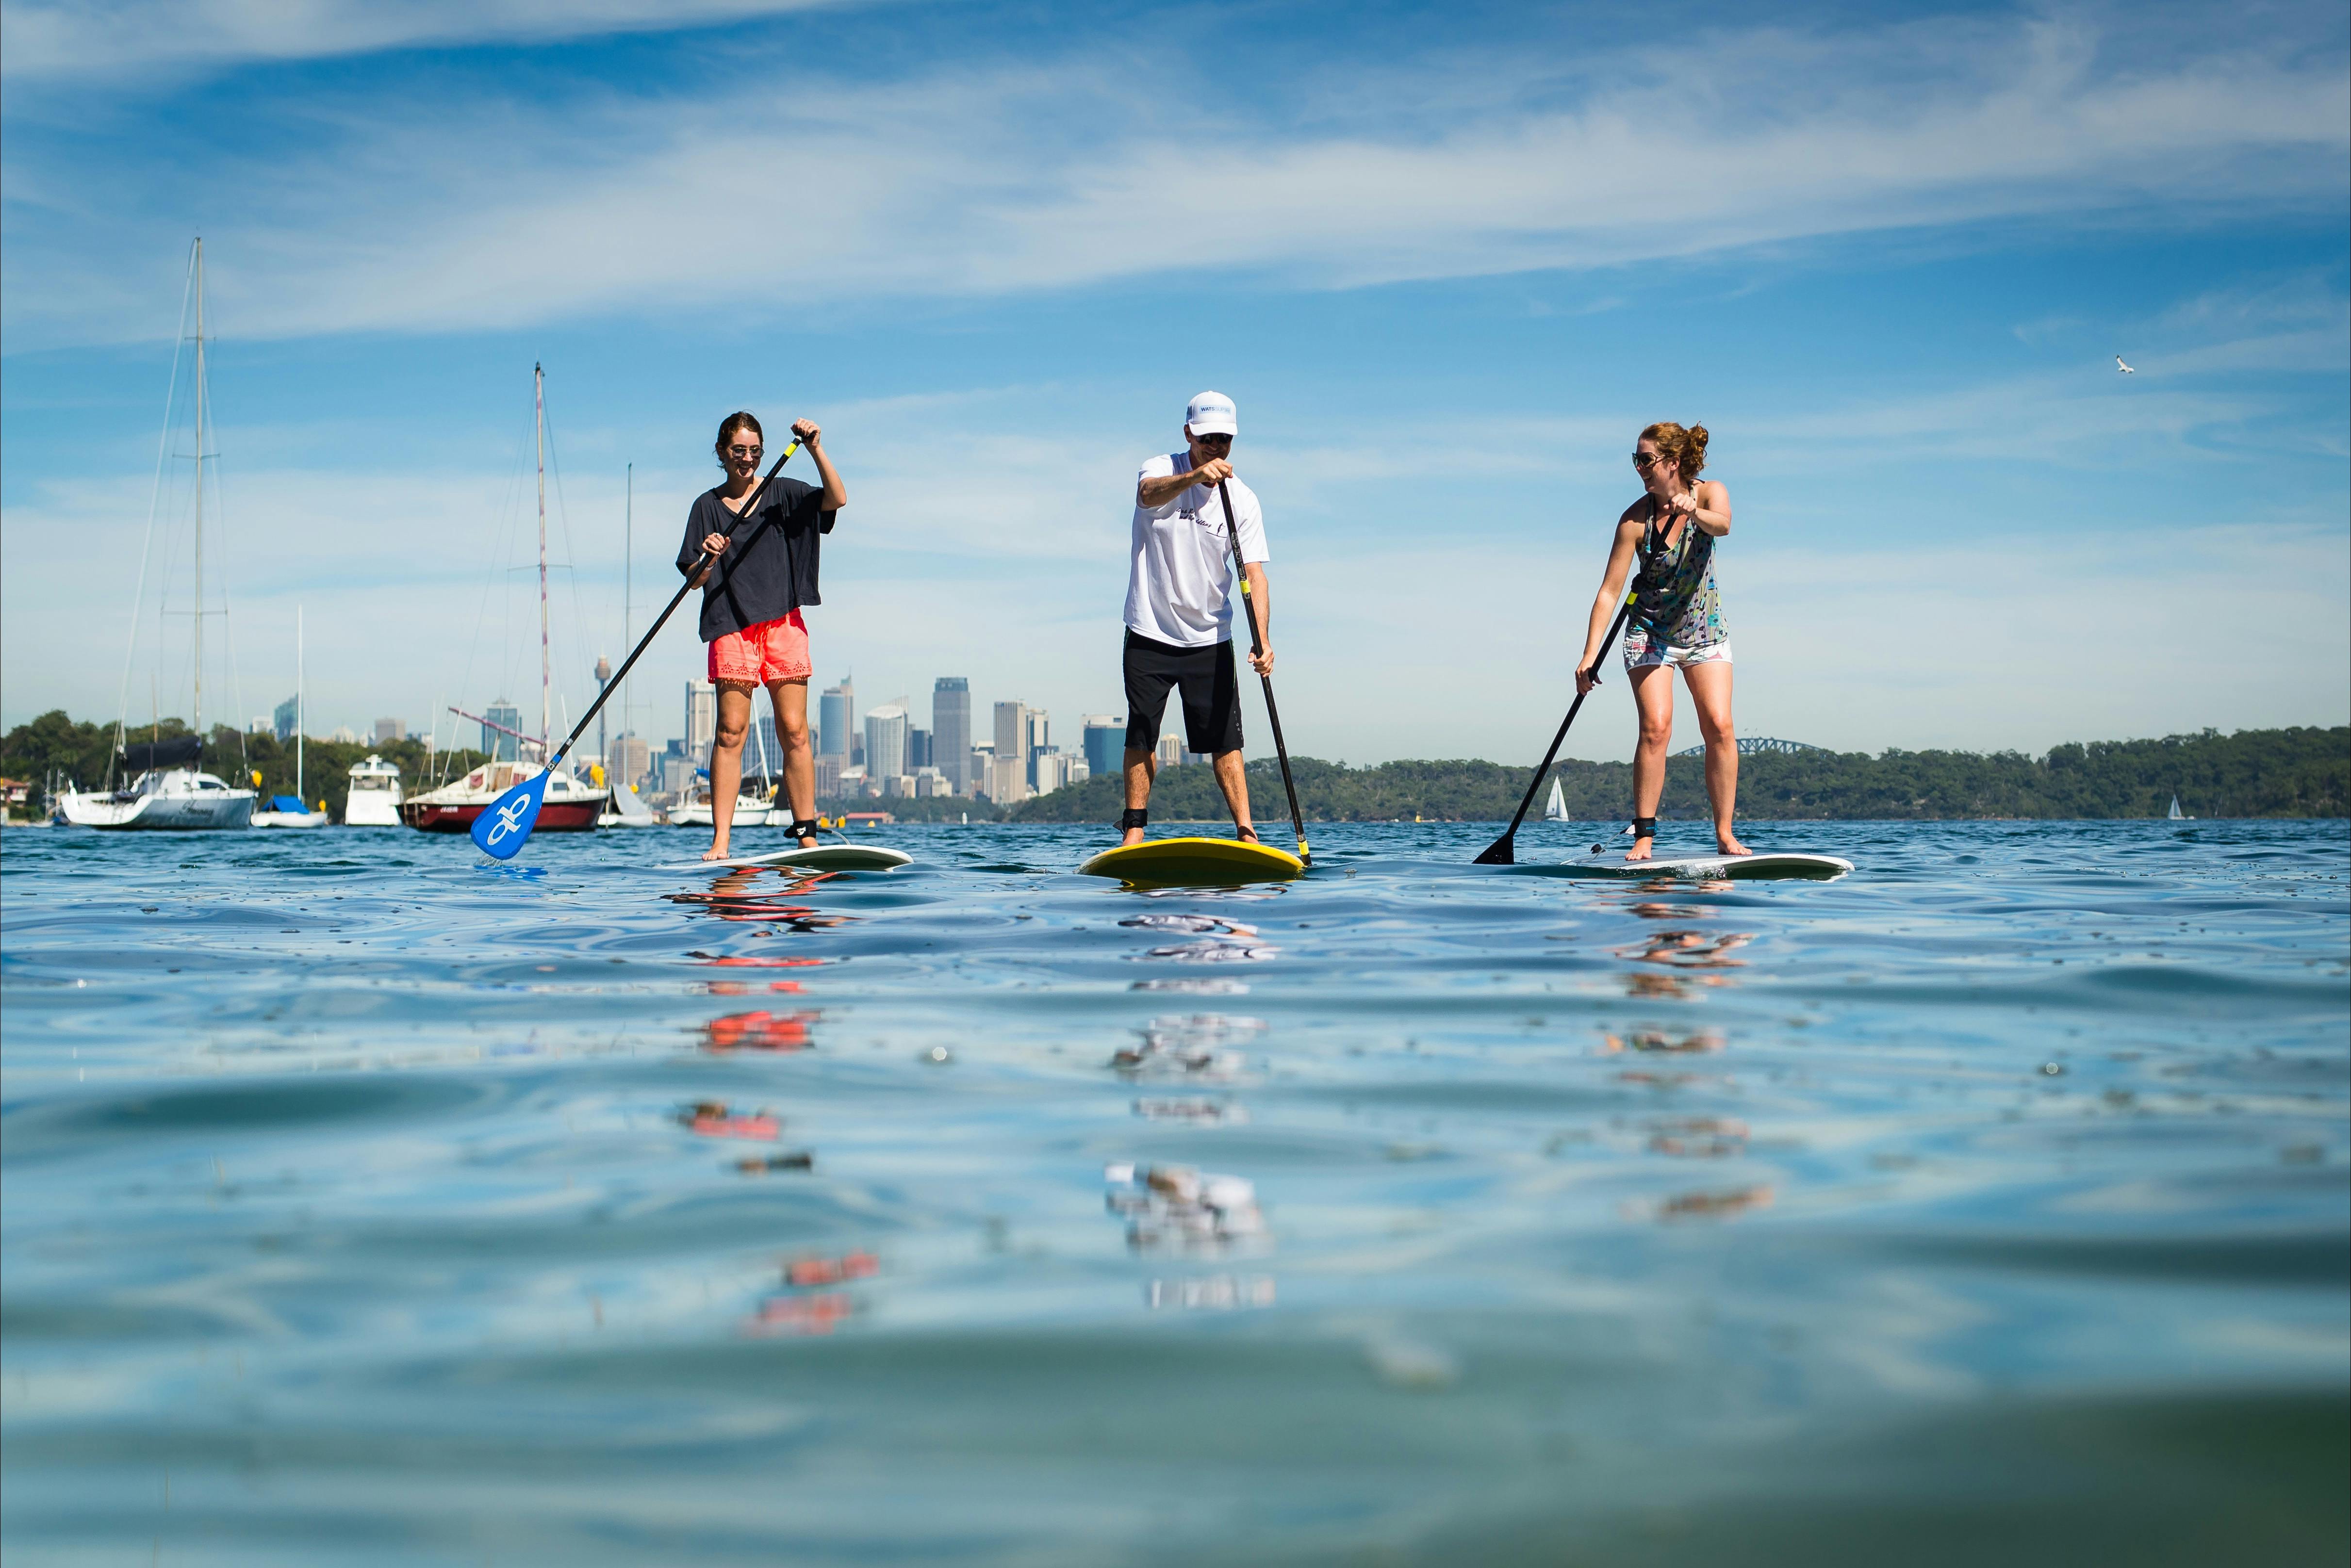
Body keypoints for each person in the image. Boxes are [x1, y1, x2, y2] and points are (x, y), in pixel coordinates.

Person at [1572, 421, 1748, 862]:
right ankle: (1645, 836)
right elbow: (1609, 592)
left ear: (1672, 463)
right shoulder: (1634, 520)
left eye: (1645, 460)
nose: (1638, 468)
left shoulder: (1709, 493)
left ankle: (1725, 836)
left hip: (1703, 629)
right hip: (1649, 630)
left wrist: (1691, 510)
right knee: (1656, 729)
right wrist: (1589, 655)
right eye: (1635, 460)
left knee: (1720, 727)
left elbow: (1723, 526)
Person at [676, 411, 848, 861]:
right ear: (721, 453)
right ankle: (721, 841)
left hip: (782, 624)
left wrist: (814, 448)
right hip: (732, 624)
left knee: (794, 730)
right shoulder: (706, 507)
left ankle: (807, 834)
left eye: (755, 451)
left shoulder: (783, 492)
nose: (748, 459)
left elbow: (838, 499)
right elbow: (694, 580)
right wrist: (708, 558)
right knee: (730, 732)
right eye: (738, 451)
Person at [1116, 391, 1274, 847]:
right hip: (1150, 629)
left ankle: (1246, 832)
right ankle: (1134, 831)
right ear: (1189, 433)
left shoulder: (1242, 501)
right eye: (1208, 439)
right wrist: (1193, 477)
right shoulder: (1159, 469)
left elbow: (1254, 574)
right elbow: (1147, 497)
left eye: (1225, 440)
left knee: (1226, 741)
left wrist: (1262, 639)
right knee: (1142, 731)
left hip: (1210, 635)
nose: (1217, 448)